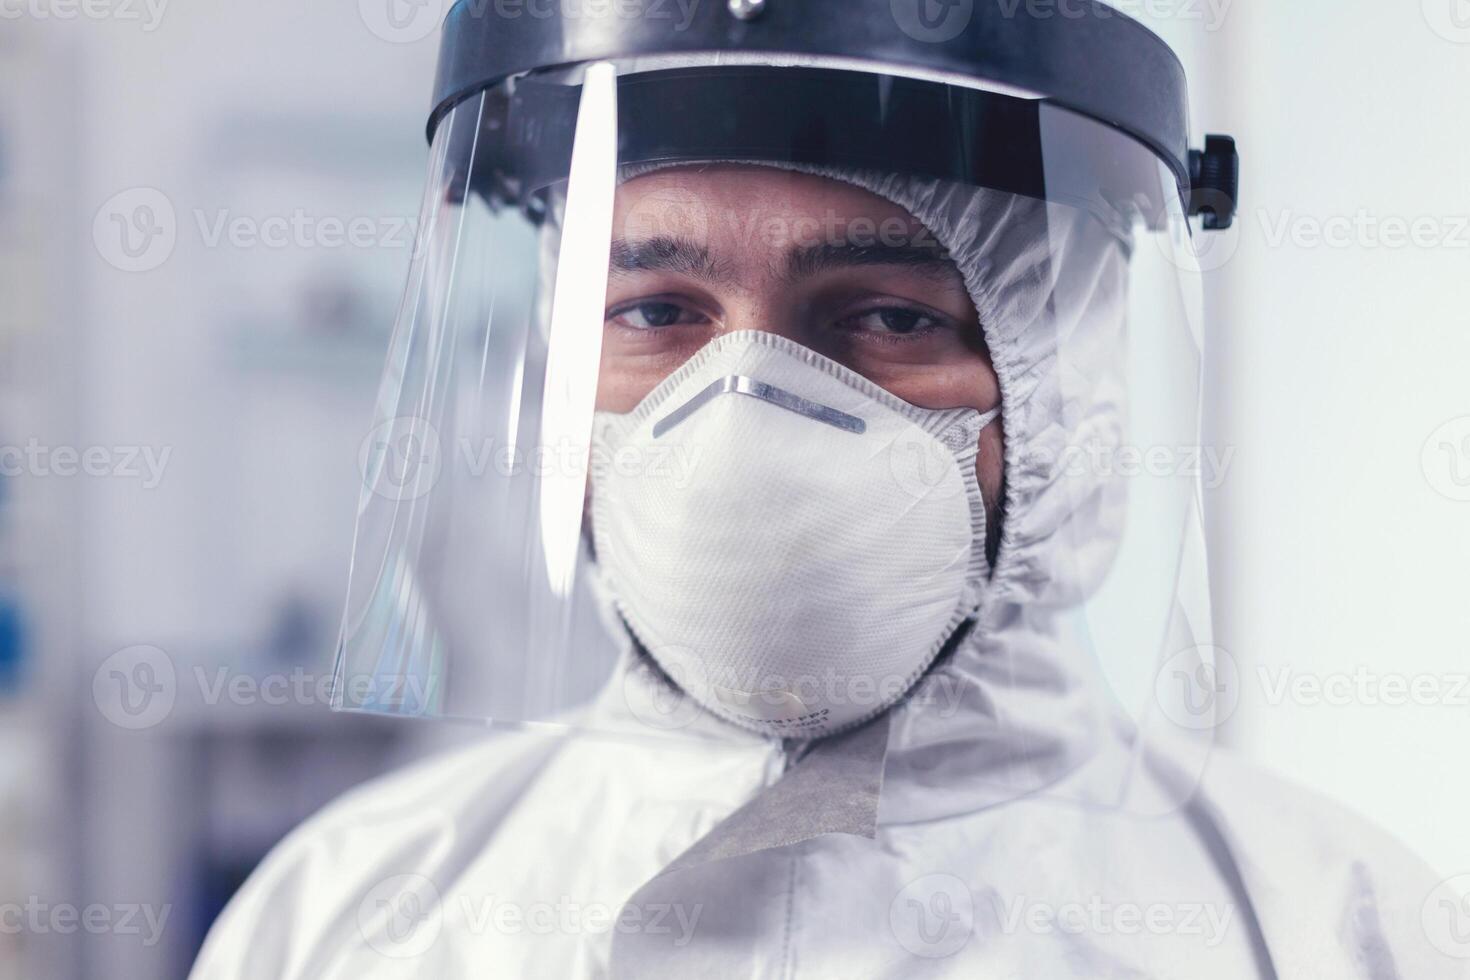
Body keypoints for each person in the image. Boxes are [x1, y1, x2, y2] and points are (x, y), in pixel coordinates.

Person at [191, 6, 1463, 977]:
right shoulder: (344, 917)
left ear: (1058, 380)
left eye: (887, 314)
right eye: (657, 311)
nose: (742, 412)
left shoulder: (1333, 930)